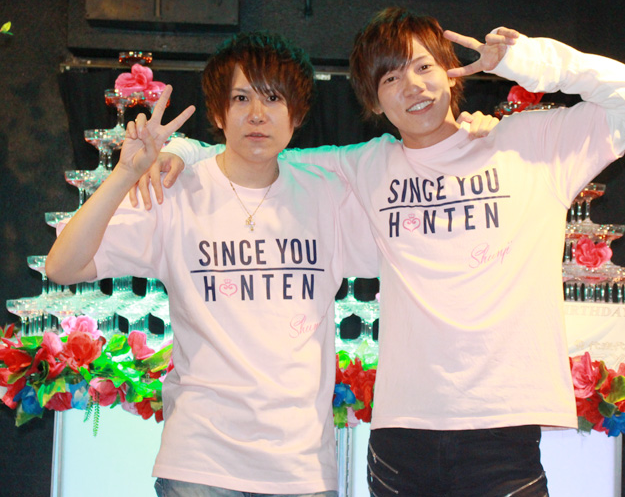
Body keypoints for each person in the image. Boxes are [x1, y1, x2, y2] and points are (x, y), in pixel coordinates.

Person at [136, 7, 625, 496]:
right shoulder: (366, 165)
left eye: (423, 67)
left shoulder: (528, 146)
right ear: (374, 101)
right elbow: (255, 153)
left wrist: (530, 62)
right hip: (399, 441)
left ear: (452, 72)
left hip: (502, 433)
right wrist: (182, 149)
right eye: (389, 78)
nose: (411, 86)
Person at [46, 32, 382, 497]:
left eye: (273, 98)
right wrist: (124, 173)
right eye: (241, 98)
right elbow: (62, 266)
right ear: (219, 113)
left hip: (301, 467)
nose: (257, 114)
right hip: (199, 465)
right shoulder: (176, 191)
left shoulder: (327, 194)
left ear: (298, 114)